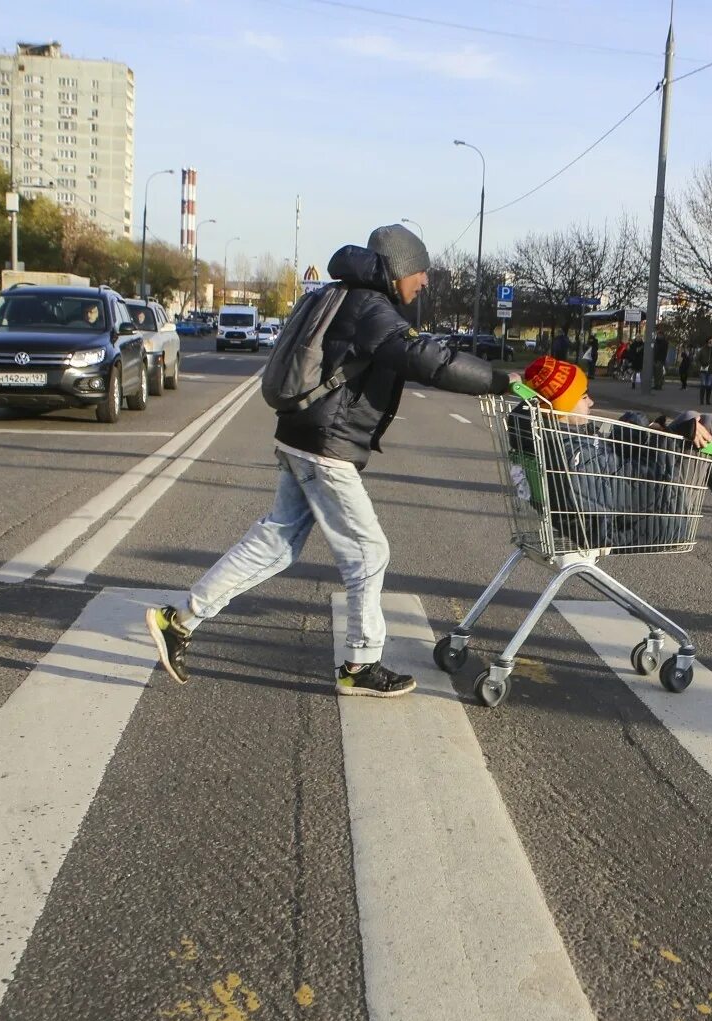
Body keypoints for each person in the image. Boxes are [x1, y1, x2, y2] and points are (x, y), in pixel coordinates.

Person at [144, 224, 515, 698]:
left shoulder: (339, 295)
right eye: (420, 273)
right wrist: (500, 381)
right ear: (399, 266)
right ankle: (360, 664)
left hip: (303, 434)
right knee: (369, 552)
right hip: (325, 445)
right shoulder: (369, 307)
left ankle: (179, 619)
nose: (424, 284)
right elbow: (427, 360)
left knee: (277, 544)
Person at [519, 357, 712, 548]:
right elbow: (622, 488)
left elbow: (612, 463)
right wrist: (667, 442)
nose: (592, 403)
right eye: (583, 397)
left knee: (692, 418)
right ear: (562, 406)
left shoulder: (557, 436)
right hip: (656, 514)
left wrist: (651, 429)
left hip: (643, 503)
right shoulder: (571, 453)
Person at [695, 334, 712, 406]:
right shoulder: (703, 349)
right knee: (703, 384)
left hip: (711, 370)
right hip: (703, 369)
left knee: (709, 385)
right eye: (711, 340)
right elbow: (697, 359)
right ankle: (701, 401)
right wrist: (700, 366)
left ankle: (708, 400)